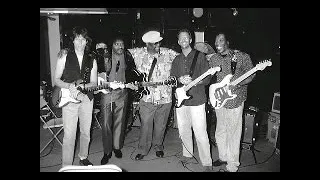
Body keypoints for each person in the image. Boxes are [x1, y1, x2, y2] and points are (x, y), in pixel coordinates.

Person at [128, 30, 178, 160]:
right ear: (147, 44)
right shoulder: (137, 53)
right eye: (155, 43)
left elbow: (185, 58)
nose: (158, 45)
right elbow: (120, 53)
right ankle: (143, 149)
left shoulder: (168, 53)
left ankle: (158, 146)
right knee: (145, 125)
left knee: (161, 125)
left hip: (165, 96)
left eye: (159, 42)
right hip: (147, 97)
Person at [208, 32, 255, 172]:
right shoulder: (214, 58)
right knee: (220, 129)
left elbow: (252, 74)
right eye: (216, 41)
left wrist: (239, 84)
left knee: (233, 132)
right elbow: (213, 79)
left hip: (235, 99)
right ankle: (223, 156)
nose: (218, 43)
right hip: (220, 99)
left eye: (221, 40)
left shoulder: (241, 56)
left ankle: (233, 164)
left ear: (228, 42)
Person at [54, 26, 97, 167]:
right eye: (77, 39)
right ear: (73, 41)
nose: (80, 42)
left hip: (86, 99)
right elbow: (56, 80)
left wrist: (83, 87)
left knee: (85, 132)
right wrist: (69, 86)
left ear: (86, 42)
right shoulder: (64, 56)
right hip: (69, 100)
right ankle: (66, 165)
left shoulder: (92, 59)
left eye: (82, 39)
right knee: (69, 135)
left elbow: (94, 82)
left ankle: (83, 157)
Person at [170, 29, 213, 171]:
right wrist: (179, 79)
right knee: (183, 130)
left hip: (197, 100)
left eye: (186, 38)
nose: (183, 40)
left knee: (201, 132)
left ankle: (207, 162)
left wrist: (195, 81)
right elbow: (172, 79)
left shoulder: (200, 57)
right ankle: (187, 154)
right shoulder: (176, 59)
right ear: (178, 42)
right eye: (180, 38)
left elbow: (207, 78)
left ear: (190, 40)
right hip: (181, 101)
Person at [99, 36, 138, 165]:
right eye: (117, 44)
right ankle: (107, 151)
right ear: (112, 46)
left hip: (122, 93)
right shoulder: (105, 56)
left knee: (120, 122)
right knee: (105, 123)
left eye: (122, 44)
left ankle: (116, 147)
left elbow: (132, 71)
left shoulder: (127, 55)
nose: (120, 46)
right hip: (107, 93)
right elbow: (98, 72)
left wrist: (132, 82)